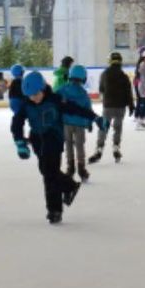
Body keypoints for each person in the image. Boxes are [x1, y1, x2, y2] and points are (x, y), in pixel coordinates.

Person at [11, 71, 103, 224]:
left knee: (49, 175)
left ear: (42, 87)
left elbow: (75, 109)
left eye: (36, 94)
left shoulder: (56, 100)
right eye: (30, 95)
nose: (33, 98)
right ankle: (70, 186)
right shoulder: (27, 104)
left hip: (53, 140)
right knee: (46, 171)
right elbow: (17, 123)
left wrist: (94, 117)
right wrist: (19, 141)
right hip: (37, 142)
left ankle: (54, 211)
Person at [90, 52, 135, 164]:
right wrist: (131, 106)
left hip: (108, 106)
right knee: (118, 128)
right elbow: (128, 92)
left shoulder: (104, 74)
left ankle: (99, 148)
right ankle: (116, 147)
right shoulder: (124, 76)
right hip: (120, 106)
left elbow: (101, 89)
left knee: (104, 127)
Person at [60, 64, 93, 181]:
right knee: (80, 145)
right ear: (83, 78)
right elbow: (88, 109)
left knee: (68, 144)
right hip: (80, 124)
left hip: (66, 123)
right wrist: (89, 123)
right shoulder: (83, 93)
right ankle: (81, 169)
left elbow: (56, 101)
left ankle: (70, 168)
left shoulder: (63, 89)